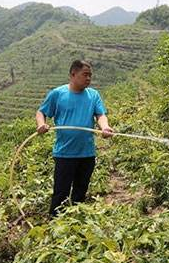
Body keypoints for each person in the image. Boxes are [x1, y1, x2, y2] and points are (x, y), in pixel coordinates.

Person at [35, 59, 114, 217]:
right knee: (61, 193)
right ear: (73, 74)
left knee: (80, 191)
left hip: (87, 153)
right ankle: (55, 225)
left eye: (90, 75)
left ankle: (75, 224)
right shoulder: (58, 94)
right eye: (85, 75)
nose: (88, 79)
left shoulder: (93, 95)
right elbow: (41, 112)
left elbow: (100, 115)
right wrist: (41, 124)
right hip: (65, 154)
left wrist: (104, 127)